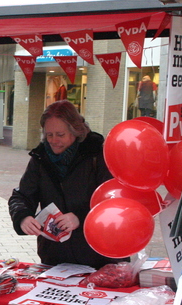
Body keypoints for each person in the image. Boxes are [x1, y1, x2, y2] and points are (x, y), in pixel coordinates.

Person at [8, 100, 115, 269]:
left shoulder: (98, 155)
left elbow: (113, 203)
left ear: (76, 131)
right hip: (55, 256)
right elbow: (21, 196)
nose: (53, 140)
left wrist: (80, 217)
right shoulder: (40, 158)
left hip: (98, 256)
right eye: (49, 135)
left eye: (60, 134)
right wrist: (23, 217)